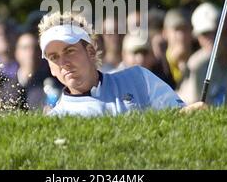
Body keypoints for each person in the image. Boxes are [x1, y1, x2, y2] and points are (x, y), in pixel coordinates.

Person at [38, 11, 206, 117]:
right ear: (51, 69)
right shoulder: (56, 120)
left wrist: (192, 113)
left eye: (69, 51)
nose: (63, 62)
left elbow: (178, 117)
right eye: (54, 57)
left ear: (90, 51)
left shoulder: (138, 78)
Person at [0, 29, 59, 111]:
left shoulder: (52, 85)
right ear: (17, 53)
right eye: (25, 48)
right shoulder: (5, 88)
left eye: (35, 48)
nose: (31, 52)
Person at [178, 2, 220, 104]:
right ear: (197, 36)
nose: (210, 38)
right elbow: (185, 100)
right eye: (204, 34)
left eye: (213, 32)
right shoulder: (195, 61)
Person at [162, 8, 193, 89]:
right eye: (176, 30)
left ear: (191, 31)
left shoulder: (202, 64)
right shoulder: (159, 68)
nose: (181, 35)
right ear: (165, 33)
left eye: (185, 29)